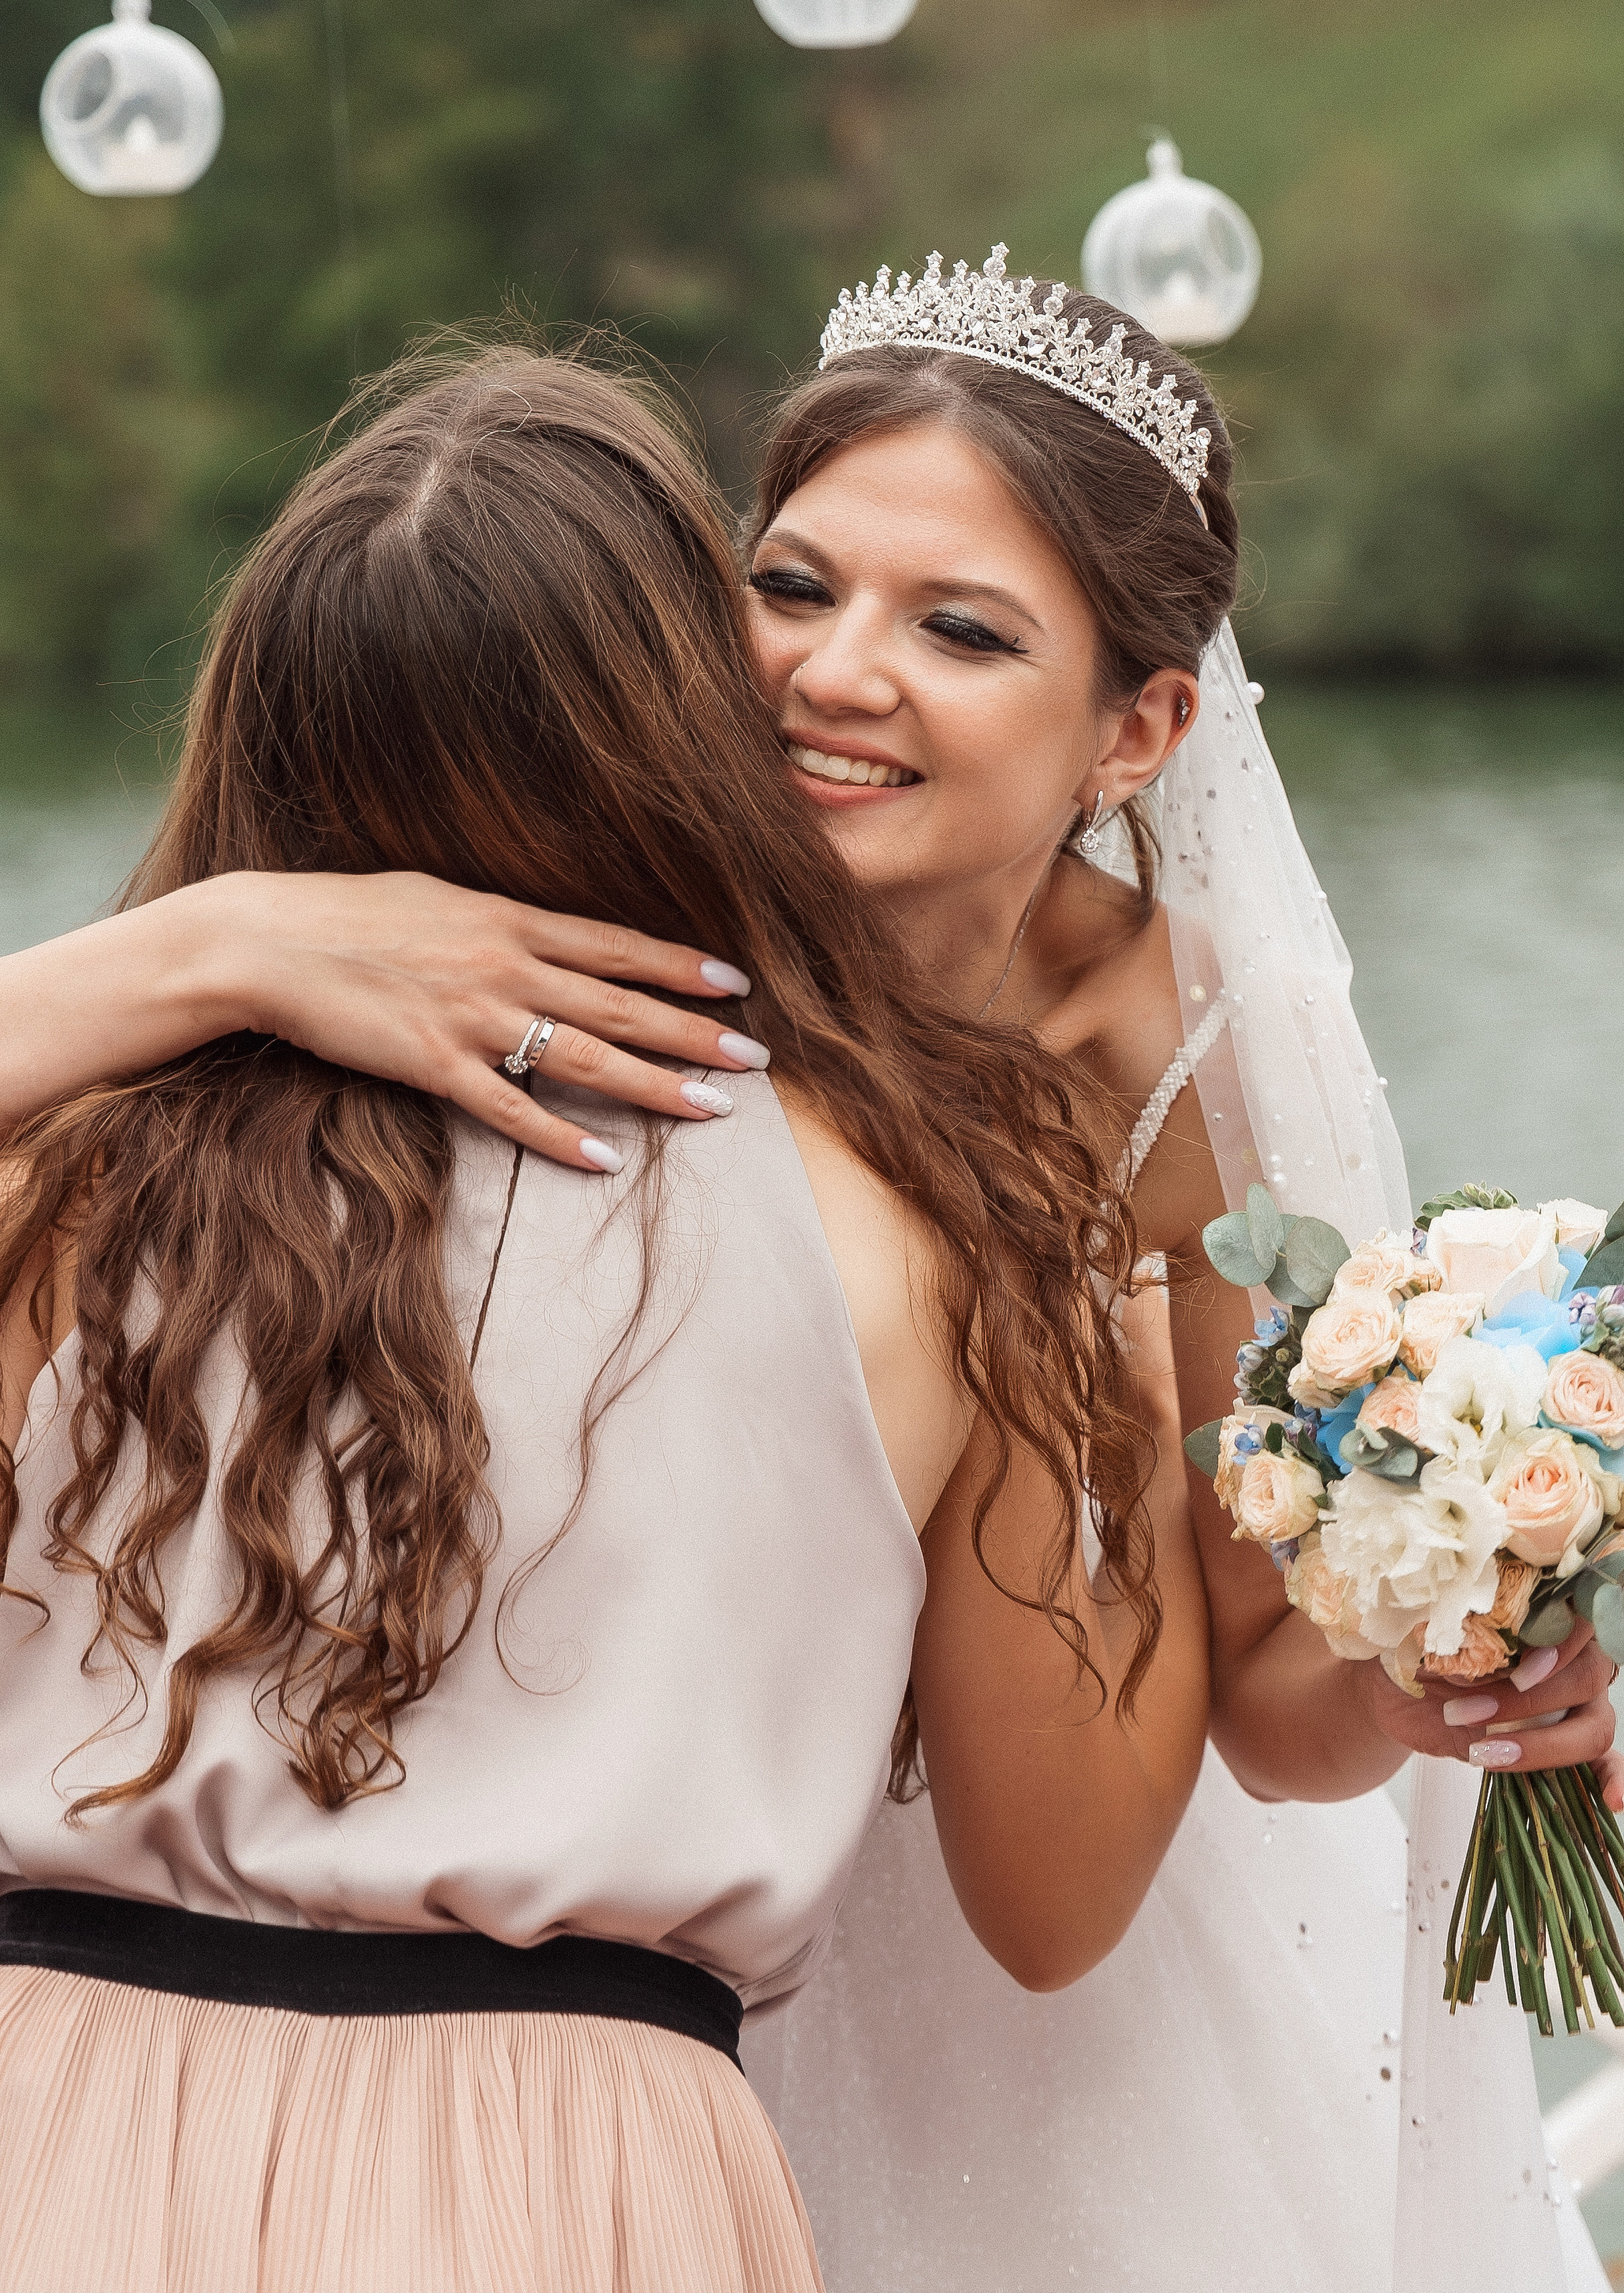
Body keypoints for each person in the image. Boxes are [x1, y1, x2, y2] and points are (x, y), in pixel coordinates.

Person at [1, 272, 1617, 2286]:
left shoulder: (1157, 1051)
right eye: (786, 587)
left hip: (899, 1899)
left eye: (958, 630)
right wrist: (223, 946)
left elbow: (1246, 1678)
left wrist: (1430, 1633)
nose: (835, 675)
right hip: (609, 1914)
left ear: (1139, 730)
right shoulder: (515, 963)